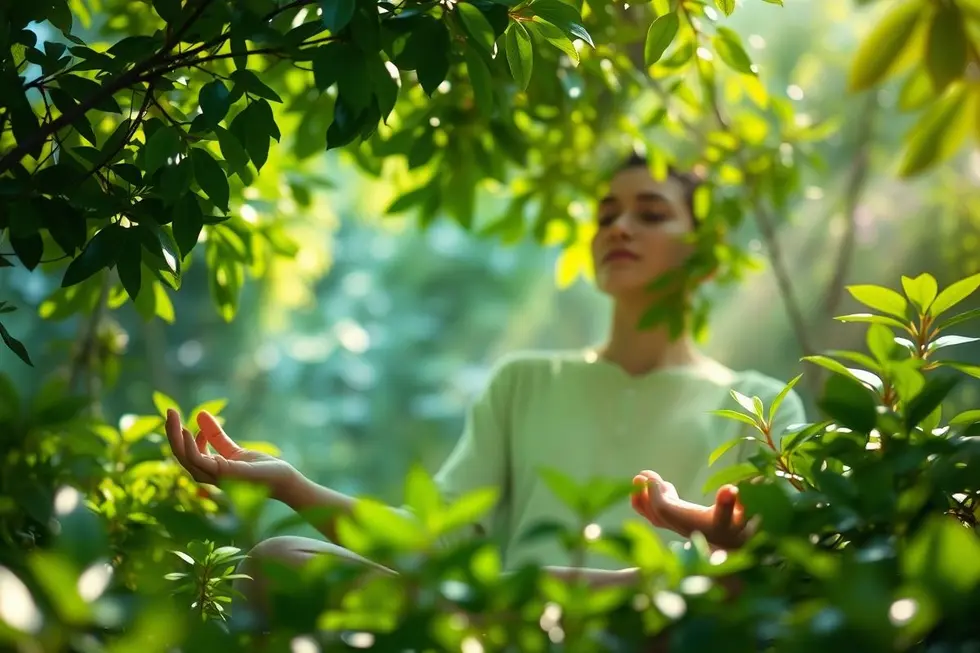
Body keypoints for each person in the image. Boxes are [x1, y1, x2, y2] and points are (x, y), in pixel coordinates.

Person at [164, 152, 806, 607]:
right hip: (504, 623)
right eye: (608, 212)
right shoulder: (524, 383)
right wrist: (290, 485)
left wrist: (710, 532)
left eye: (652, 213)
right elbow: (429, 540)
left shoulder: (758, 402)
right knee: (278, 563)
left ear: (704, 255)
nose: (619, 225)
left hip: (655, 626)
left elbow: (777, 564)